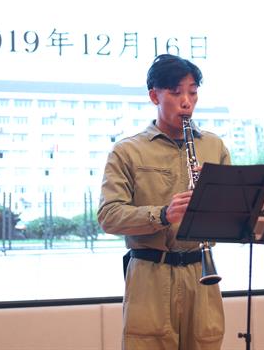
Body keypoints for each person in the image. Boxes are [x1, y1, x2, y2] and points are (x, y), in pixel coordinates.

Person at [98, 54, 231, 350]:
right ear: (154, 96)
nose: (186, 102)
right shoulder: (127, 151)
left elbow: (231, 216)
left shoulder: (215, 146)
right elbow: (109, 215)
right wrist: (162, 214)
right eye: (176, 92)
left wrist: (214, 195)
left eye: (192, 92)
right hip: (150, 275)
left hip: (201, 273)